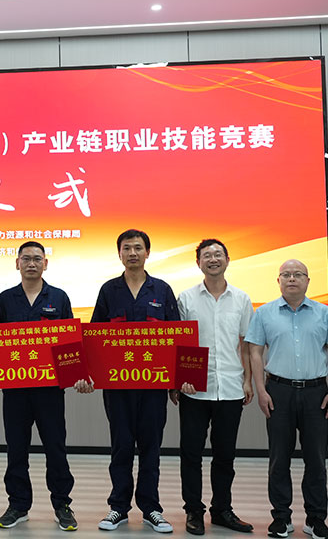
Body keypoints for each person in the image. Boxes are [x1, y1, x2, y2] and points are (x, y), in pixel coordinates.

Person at [90, 229, 179, 533]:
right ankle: (118, 507)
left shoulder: (162, 290)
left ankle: (151, 508)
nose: (132, 253)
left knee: (151, 447)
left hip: (153, 386)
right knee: (122, 445)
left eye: (138, 248)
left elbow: (177, 336)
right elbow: (95, 336)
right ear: (119, 254)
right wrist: (90, 374)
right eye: (126, 248)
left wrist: (177, 381)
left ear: (147, 253)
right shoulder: (109, 290)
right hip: (117, 386)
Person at [0, 240, 77, 531]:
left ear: (45, 264)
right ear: (17, 263)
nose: (31, 263)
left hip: (50, 390)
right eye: (26, 258)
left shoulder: (59, 297)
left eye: (37, 259)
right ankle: (18, 505)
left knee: (55, 447)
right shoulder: (5, 299)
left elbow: (69, 343)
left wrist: (75, 375)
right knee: (16, 448)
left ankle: (62, 504)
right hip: (15, 390)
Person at [172, 239, 254, 535]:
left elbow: (245, 343)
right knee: (191, 454)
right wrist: (176, 382)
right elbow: (179, 343)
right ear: (198, 263)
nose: (213, 259)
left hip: (230, 386)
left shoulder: (241, 299)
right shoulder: (186, 298)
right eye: (207, 255)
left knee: (225, 455)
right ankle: (193, 510)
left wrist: (247, 380)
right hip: (194, 388)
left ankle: (222, 510)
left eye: (218, 254)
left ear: (227, 260)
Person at [246, 259, 328, 539]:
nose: (292, 278)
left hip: (317, 392)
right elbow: (255, 352)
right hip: (278, 391)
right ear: (278, 280)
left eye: (298, 274)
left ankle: (316, 519)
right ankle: (281, 518)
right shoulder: (264, 313)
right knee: (279, 458)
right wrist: (261, 390)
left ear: (308, 281)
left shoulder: (324, 313)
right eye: (286, 274)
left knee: (316, 459)